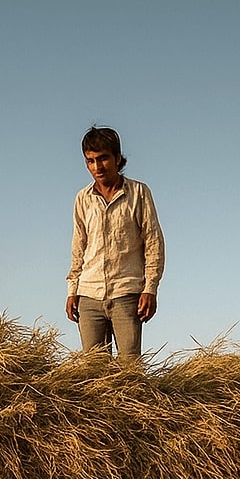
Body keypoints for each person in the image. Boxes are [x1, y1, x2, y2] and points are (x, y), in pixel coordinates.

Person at [66, 127, 165, 358]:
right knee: (94, 371)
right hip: (89, 293)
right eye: (90, 161)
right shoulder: (83, 198)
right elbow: (78, 247)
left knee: (130, 367)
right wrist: (72, 290)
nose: (97, 167)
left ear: (117, 158)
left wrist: (150, 288)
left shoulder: (139, 193)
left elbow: (154, 243)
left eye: (103, 159)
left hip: (127, 292)